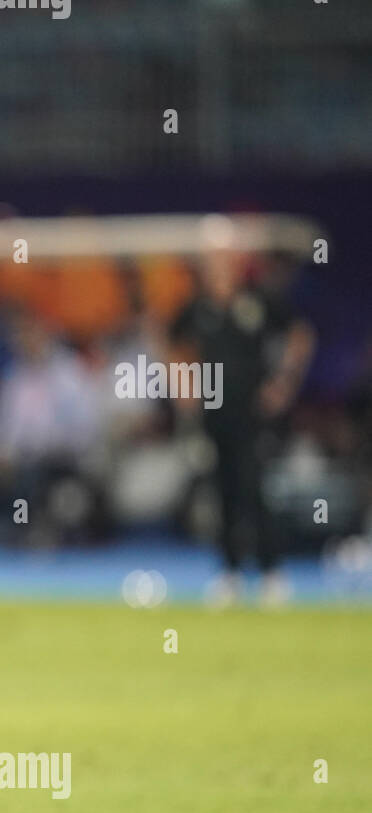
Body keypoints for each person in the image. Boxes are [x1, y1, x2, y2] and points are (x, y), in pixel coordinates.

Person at [168, 230, 314, 606]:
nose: (215, 265)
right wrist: (184, 386)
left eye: (222, 257)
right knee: (223, 491)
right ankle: (230, 572)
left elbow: (301, 334)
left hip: (252, 414)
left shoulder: (258, 301)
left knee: (253, 487)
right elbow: (171, 344)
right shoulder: (197, 306)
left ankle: (270, 572)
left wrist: (283, 384)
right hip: (214, 414)